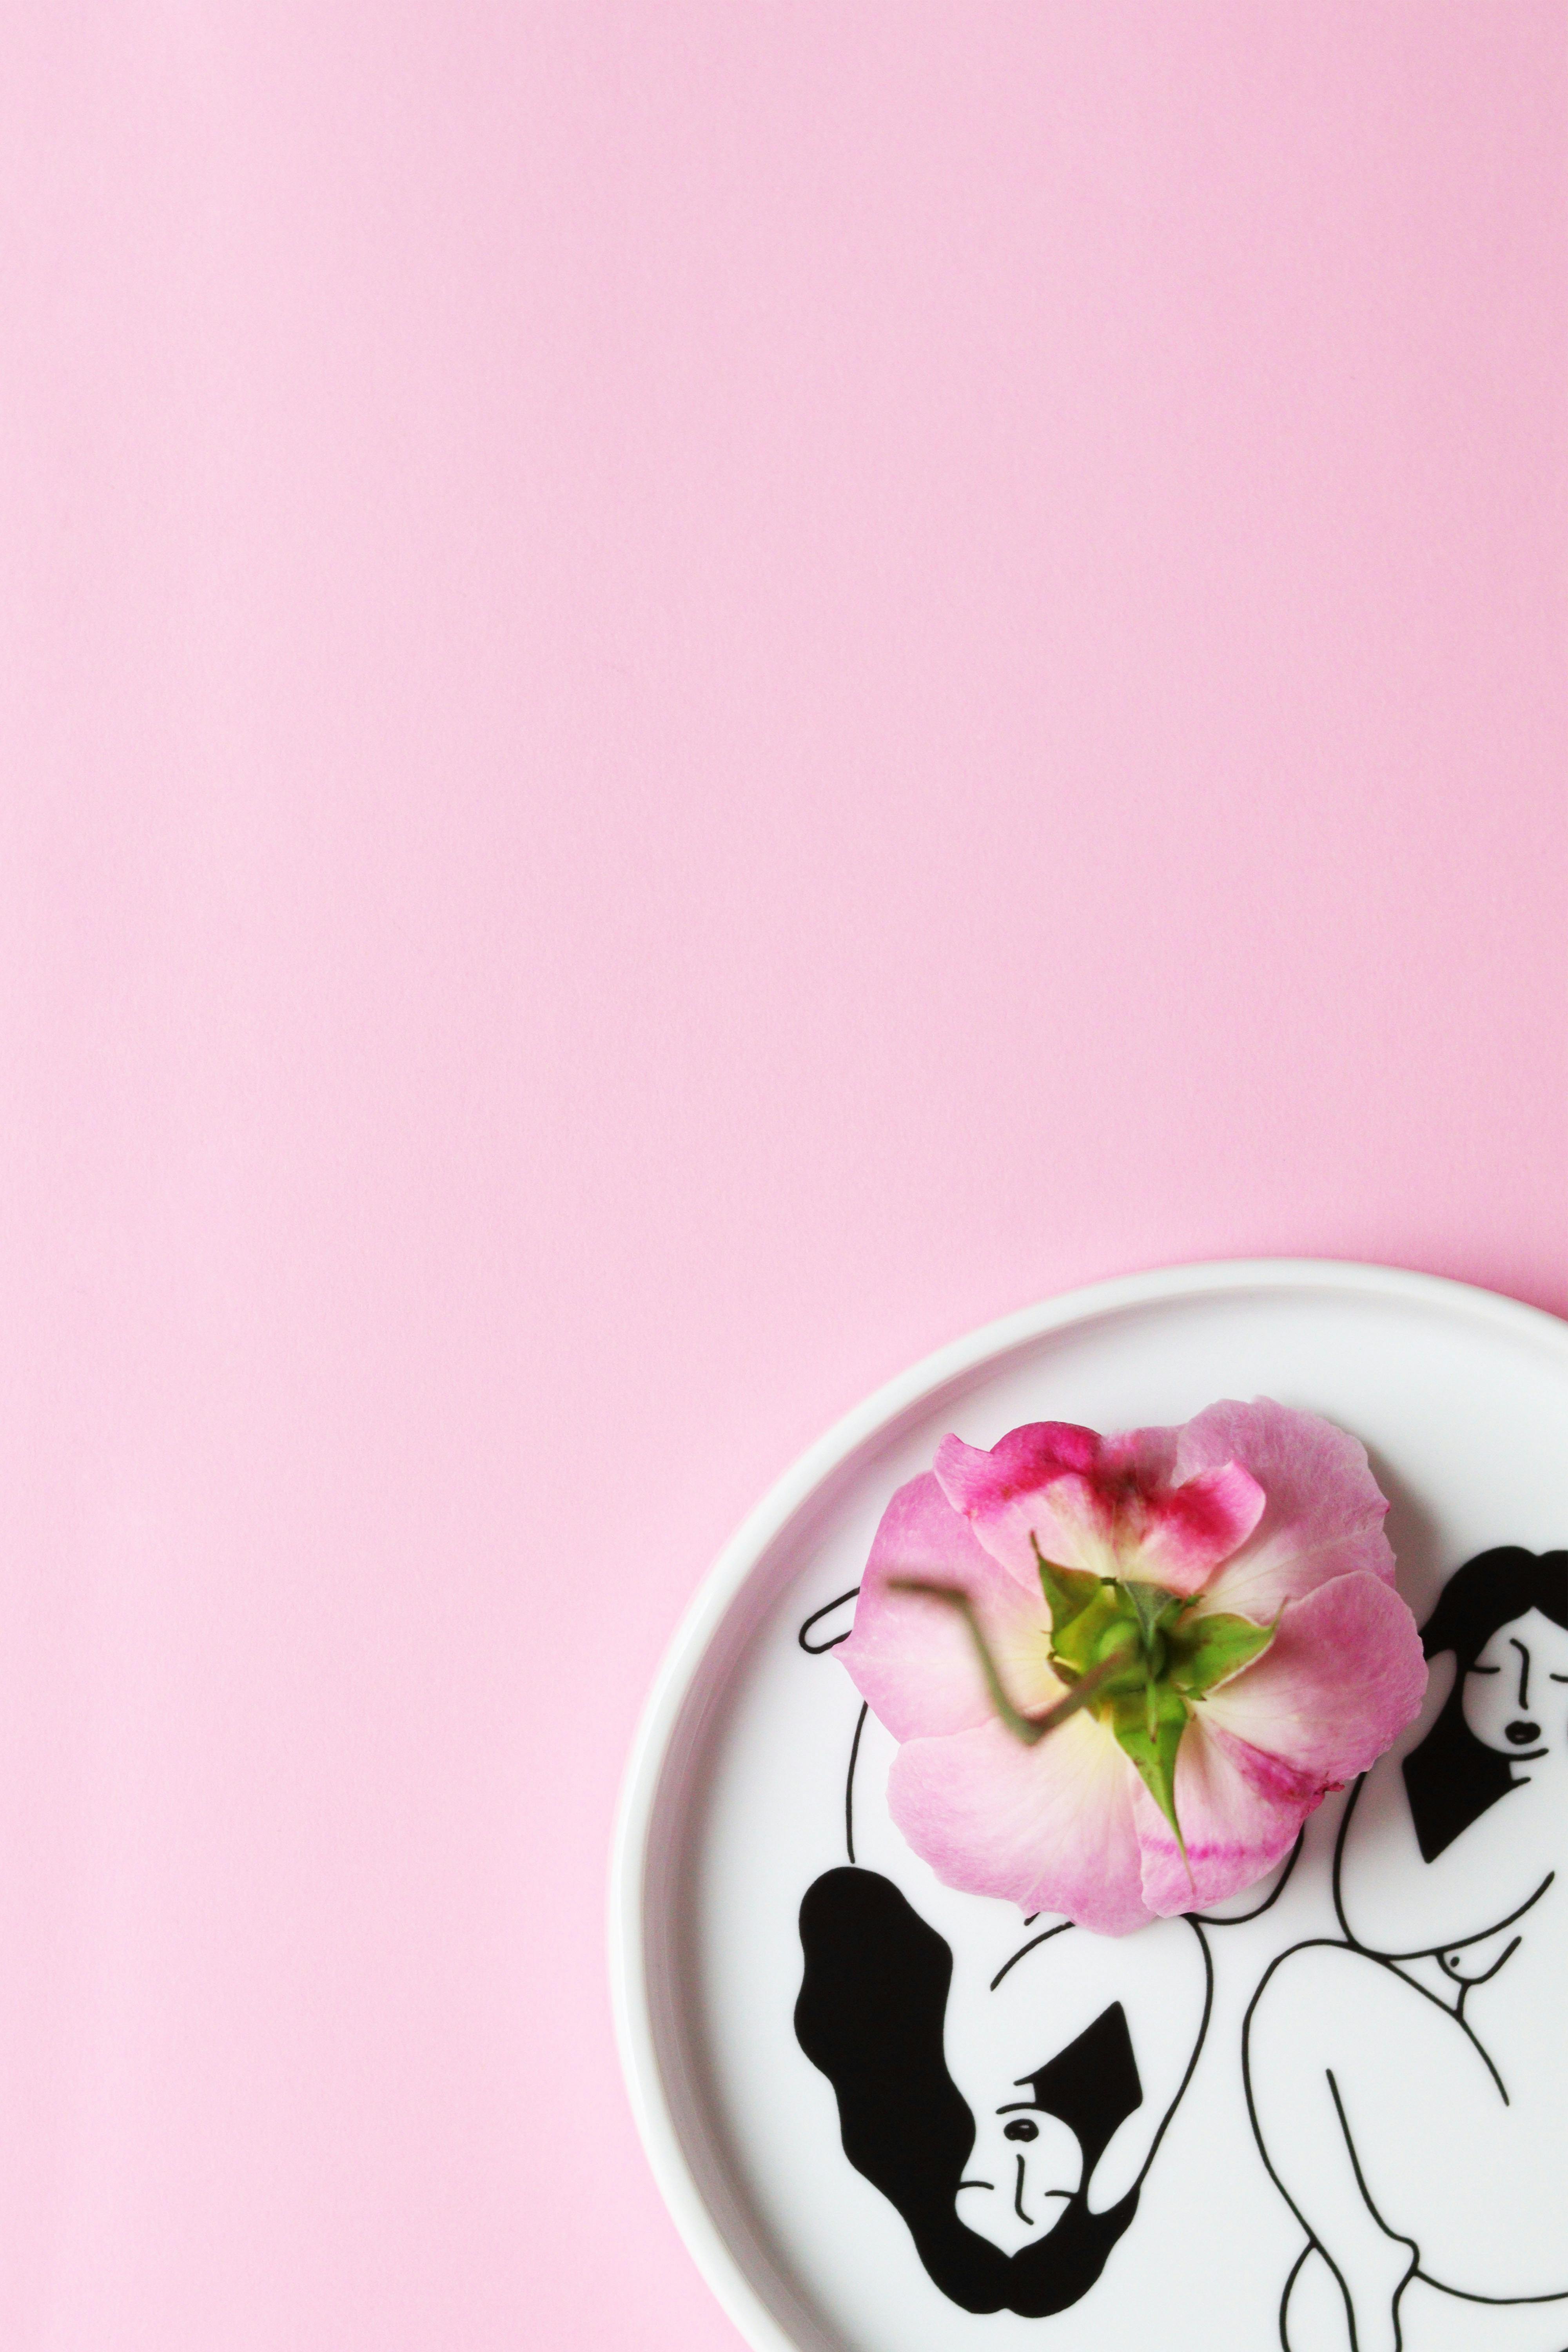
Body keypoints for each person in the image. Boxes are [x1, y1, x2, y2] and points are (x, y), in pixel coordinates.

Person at [1244, 1549, 1568, 2352]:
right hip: (1508, 2180)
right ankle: (1360, 2262)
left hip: (1527, 2194)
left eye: (1560, 1682)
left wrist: (1406, 1704)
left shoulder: (1550, 1803)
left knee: (1304, 1986)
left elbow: (1373, 1917)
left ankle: (1363, 2263)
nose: (1525, 1706)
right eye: (1498, 1670)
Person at [794, 1702, 1211, 2318]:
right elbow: (1177, 1956)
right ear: (1085, 2201)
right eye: (1044, 2198)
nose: (1019, 2165)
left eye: (986, 2187)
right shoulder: (1093, 2075)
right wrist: (1136, 2138)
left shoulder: (955, 2043)